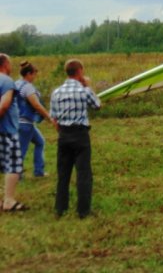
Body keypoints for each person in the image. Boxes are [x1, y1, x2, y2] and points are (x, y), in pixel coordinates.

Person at [50, 59, 101, 218]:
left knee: (63, 173)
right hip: (80, 135)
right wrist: (87, 86)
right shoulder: (84, 91)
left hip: (64, 135)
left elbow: (54, 118)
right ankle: (83, 211)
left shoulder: (56, 92)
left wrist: (62, 131)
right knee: (84, 173)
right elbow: (97, 105)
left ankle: (60, 209)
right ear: (79, 72)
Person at [16, 61, 56, 178]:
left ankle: (39, 171)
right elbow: (36, 105)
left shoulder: (16, 83)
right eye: (34, 74)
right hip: (25, 124)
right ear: (29, 74)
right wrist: (49, 117)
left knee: (40, 142)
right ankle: (17, 176)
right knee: (21, 150)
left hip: (18, 121)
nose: (35, 77)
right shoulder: (27, 87)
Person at [0, 53, 28, 211]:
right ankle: (9, 201)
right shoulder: (7, 81)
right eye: (10, 64)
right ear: (4, 65)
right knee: (13, 165)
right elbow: (4, 106)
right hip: (6, 130)